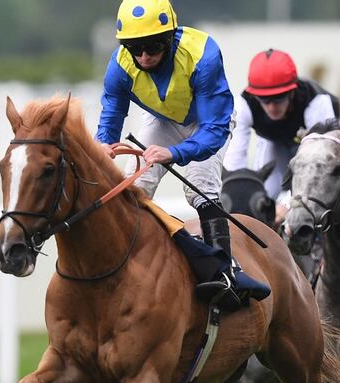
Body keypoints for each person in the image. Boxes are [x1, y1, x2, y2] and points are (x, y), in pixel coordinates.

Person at [95, 0, 268, 309]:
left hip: (209, 121)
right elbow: (112, 111)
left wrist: (173, 153)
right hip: (163, 119)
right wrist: (103, 145)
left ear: (170, 38)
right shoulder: (120, 64)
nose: (144, 57)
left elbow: (212, 133)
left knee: (198, 186)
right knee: (133, 187)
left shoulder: (203, 55)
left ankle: (225, 271)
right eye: (136, 49)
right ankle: (121, 265)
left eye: (153, 47)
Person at [224, 49, 340, 225]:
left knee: (298, 206)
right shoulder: (244, 104)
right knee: (265, 196)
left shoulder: (317, 103)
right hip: (273, 142)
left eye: (279, 98)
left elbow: (318, 169)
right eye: (264, 100)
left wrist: (287, 204)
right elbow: (234, 166)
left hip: (315, 151)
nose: (271, 107)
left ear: (292, 91)